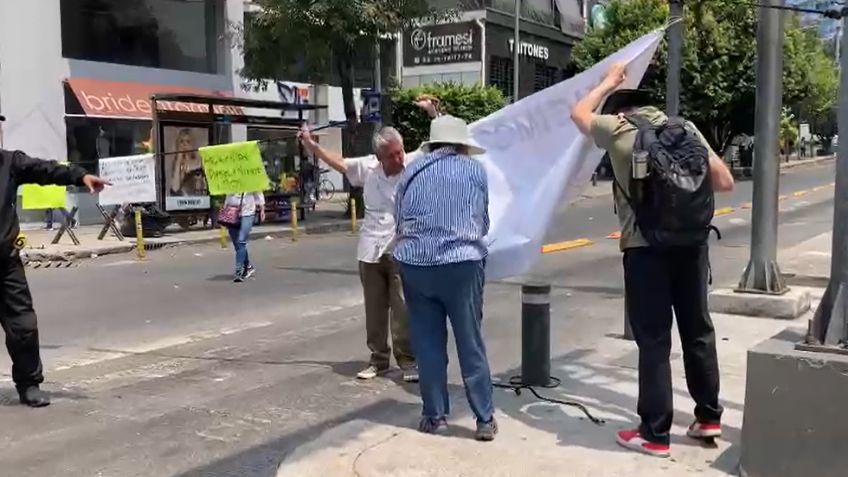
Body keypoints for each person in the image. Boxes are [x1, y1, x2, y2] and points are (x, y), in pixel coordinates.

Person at [571, 64, 735, 457]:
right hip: (692, 245)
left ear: (620, 110)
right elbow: (726, 181)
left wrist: (609, 81)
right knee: (698, 330)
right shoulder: (687, 129)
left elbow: (578, 114)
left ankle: (655, 433)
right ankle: (709, 416)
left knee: (655, 340)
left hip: (645, 249)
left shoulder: (620, 130)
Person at [297, 96, 439, 384]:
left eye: (400, 152)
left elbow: (437, 146)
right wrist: (312, 146)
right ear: (379, 157)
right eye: (392, 155)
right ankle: (379, 360)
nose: (398, 159)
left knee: (403, 308)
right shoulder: (368, 170)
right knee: (374, 308)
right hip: (370, 250)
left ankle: (408, 360)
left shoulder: (413, 163)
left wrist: (434, 113)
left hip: (403, 247)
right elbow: (339, 163)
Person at [394, 115, 497, 442]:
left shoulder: (412, 170)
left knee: (427, 344)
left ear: (433, 144)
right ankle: (483, 420)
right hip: (461, 266)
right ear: (462, 146)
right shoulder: (474, 170)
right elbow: (482, 222)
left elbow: (398, 220)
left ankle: (434, 416)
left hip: (415, 266)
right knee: (470, 341)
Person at [0, 124, 109, 407]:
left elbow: (46, 169)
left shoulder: (10, 162)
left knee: (23, 326)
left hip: (6, 265)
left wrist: (80, 175)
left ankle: (29, 384)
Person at [223, 192, 265, 283]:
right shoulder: (231, 181)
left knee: (241, 240)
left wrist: (262, 209)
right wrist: (225, 210)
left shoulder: (251, 180)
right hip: (232, 212)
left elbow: (259, 194)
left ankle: (239, 271)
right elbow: (228, 196)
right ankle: (248, 266)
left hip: (247, 213)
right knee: (237, 243)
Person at [169, 129, 205, 196]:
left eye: (188, 141)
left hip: (196, 198)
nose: (184, 144)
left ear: (192, 144)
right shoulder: (177, 163)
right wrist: (179, 160)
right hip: (181, 199)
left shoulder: (198, 161)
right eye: (181, 141)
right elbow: (175, 188)